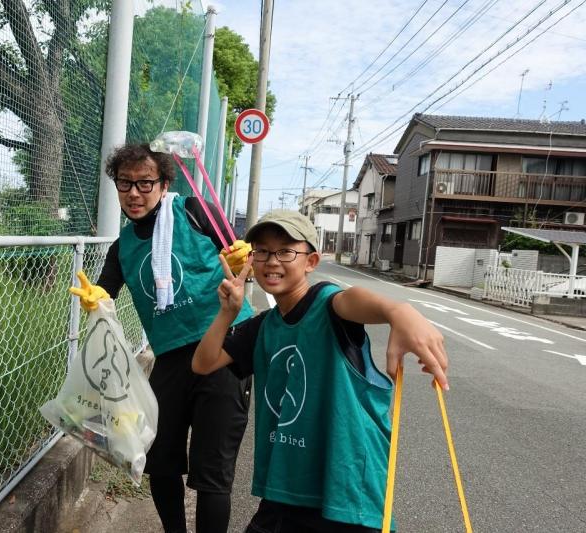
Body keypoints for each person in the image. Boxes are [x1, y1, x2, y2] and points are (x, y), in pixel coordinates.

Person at [192, 209, 449, 533]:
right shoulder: (263, 327)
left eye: (286, 251)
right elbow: (203, 363)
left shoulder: (329, 305)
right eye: (263, 252)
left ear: (311, 262)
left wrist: (398, 310)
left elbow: (352, 299)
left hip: (345, 494)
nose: (272, 261)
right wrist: (227, 312)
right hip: (285, 488)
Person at [70, 143, 254, 533]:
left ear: (164, 183)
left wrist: (242, 261)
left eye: (145, 183)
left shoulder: (192, 210)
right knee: (160, 461)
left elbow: (235, 254)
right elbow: (107, 290)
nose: (134, 193)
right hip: (171, 357)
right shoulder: (124, 247)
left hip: (224, 346)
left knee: (212, 471)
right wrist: (96, 299)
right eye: (125, 184)